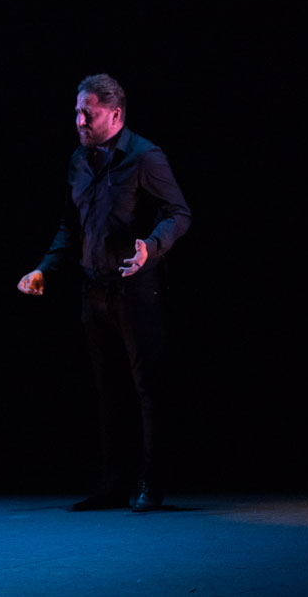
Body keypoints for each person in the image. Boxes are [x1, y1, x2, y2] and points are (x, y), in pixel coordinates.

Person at [17, 74, 192, 512]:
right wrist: (43, 269)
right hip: (93, 291)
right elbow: (70, 226)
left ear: (115, 115)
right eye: (77, 112)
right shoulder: (79, 160)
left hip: (136, 290)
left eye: (88, 113)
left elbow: (179, 213)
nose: (79, 120)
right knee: (108, 390)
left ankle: (152, 483)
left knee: (148, 388)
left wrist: (152, 246)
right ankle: (114, 484)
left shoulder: (145, 157)